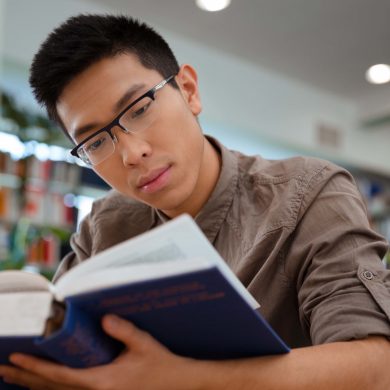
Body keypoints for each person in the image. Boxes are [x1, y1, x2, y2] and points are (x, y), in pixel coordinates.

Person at [0, 13, 390, 390]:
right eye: (97, 141)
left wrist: (186, 380)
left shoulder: (309, 192)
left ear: (188, 90)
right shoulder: (104, 226)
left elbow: (375, 368)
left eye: (138, 109)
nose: (132, 153)